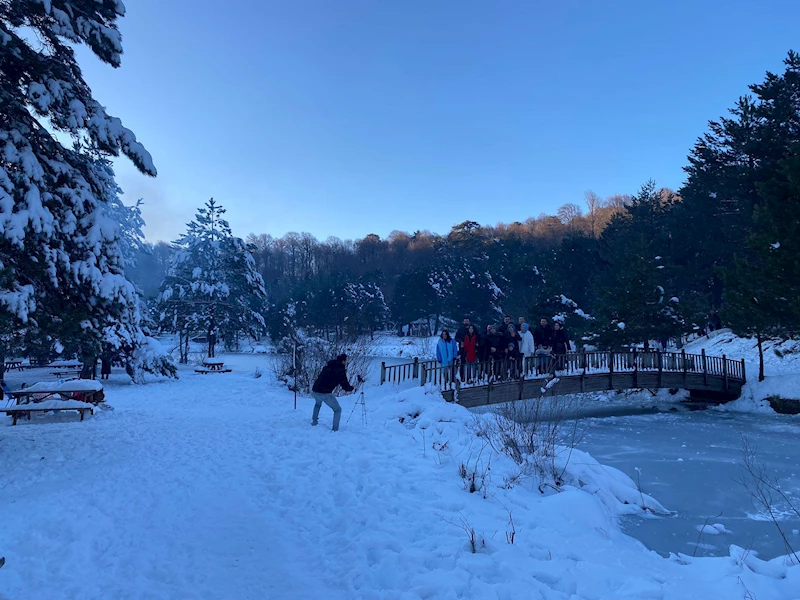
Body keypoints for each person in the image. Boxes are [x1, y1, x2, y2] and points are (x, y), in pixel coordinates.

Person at [311, 353, 354, 431]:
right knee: (337, 410)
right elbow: (344, 384)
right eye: (346, 361)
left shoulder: (327, 367)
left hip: (315, 390)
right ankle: (335, 429)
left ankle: (314, 422)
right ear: (343, 361)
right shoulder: (340, 370)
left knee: (317, 404)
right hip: (325, 393)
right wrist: (350, 388)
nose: (346, 362)